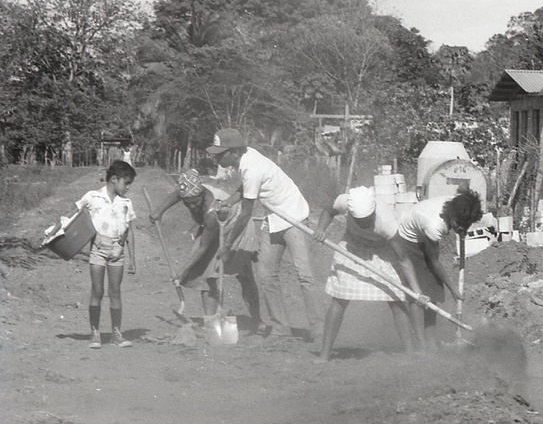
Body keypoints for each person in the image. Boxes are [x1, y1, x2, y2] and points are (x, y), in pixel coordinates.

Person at [206, 128, 326, 340]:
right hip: (274, 216)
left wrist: (228, 245)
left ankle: (319, 328)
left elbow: (246, 214)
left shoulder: (252, 168)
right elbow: (245, 191)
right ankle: (281, 328)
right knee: (266, 274)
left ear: (234, 152)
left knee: (304, 274)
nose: (217, 157)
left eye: (220, 153)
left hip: (294, 216)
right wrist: (227, 202)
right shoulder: (246, 158)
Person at [148, 168, 262, 332]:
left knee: (244, 274)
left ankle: (257, 320)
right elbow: (177, 195)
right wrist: (160, 210)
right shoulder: (188, 191)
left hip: (237, 227)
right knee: (205, 274)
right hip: (215, 228)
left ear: (202, 195)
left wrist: (182, 271)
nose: (192, 206)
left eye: (195, 202)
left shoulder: (211, 212)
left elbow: (203, 248)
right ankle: (211, 323)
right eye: (188, 203)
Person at [313, 186, 414, 360]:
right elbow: (329, 211)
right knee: (339, 298)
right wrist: (321, 229)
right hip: (352, 248)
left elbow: (403, 258)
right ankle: (324, 354)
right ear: (350, 213)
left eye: (367, 220)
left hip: (382, 251)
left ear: (373, 212)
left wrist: (415, 289)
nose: (363, 224)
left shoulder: (386, 222)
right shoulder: (344, 201)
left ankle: (411, 352)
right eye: (358, 220)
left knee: (397, 299)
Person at [392, 188, 483, 349]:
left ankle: (431, 339)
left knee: (433, 288)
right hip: (407, 239)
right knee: (418, 292)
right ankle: (421, 344)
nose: (463, 229)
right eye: (461, 225)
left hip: (421, 230)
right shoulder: (434, 225)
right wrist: (453, 290)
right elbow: (434, 262)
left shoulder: (459, 205)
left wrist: (462, 229)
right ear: (452, 216)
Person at [72, 160, 137, 349]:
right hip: (98, 251)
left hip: (118, 251)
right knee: (97, 291)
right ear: (114, 180)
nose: (128, 188)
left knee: (115, 292)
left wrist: (133, 258)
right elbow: (73, 213)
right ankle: (95, 333)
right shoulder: (93, 197)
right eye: (126, 183)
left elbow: (130, 231)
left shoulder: (126, 203)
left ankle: (116, 333)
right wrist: (56, 232)